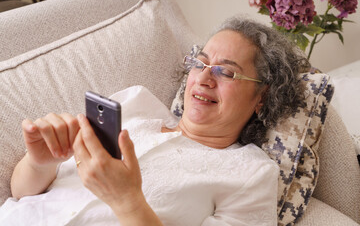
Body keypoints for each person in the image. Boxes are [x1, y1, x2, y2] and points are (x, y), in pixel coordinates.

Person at [0, 16, 308, 225]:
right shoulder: (133, 104)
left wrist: (128, 202)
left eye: (225, 72)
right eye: (200, 63)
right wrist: (42, 163)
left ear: (263, 97)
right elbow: (21, 193)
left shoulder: (251, 174)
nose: (203, 78)